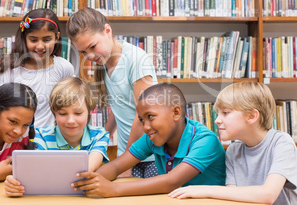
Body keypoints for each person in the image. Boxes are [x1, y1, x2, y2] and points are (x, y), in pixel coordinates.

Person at [71, 83, 226, 197]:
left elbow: (171, 182)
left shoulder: (205, 140)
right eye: (142, 120)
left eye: (150, 117)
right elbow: (117, 166)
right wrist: (88, 181)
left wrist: (113, 189)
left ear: (176, 113)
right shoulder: (152, 138)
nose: (145, 127)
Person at [168, 81, 297, 205]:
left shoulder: (282, 143)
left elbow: (268, 195)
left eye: (225, 113)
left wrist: (205, 190)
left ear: (252, 116)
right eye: (217, 114)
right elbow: (231, 195)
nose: (217, 120)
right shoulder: (233, 150)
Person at [67, 7, 158, 178]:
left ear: (107, 31)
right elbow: (118, 107)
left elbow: (143, 115)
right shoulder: (104, 63)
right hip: (130, 154)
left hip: (152, 155)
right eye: (83, 52)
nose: (90, 56)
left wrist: (126, 162)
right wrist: (101, 138)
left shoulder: (136, 59)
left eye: (93, 46)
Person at [4, 77, 110, 196]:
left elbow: (88, 168)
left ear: (90, 111)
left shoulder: (100, 135)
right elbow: (36, 171)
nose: (70, 120)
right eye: (63, 114)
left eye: (78, 113)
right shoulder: (41, 135)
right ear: (54, 113)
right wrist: (14, 183)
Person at [0, 8, 75, 128]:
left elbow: (71, 105)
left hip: (48, 140)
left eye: (47, 40)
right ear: (24, 38)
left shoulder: (64, 68)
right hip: (15, 138)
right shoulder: (9, 68)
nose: (40, 46)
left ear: (57, 37)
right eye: (33, 40)